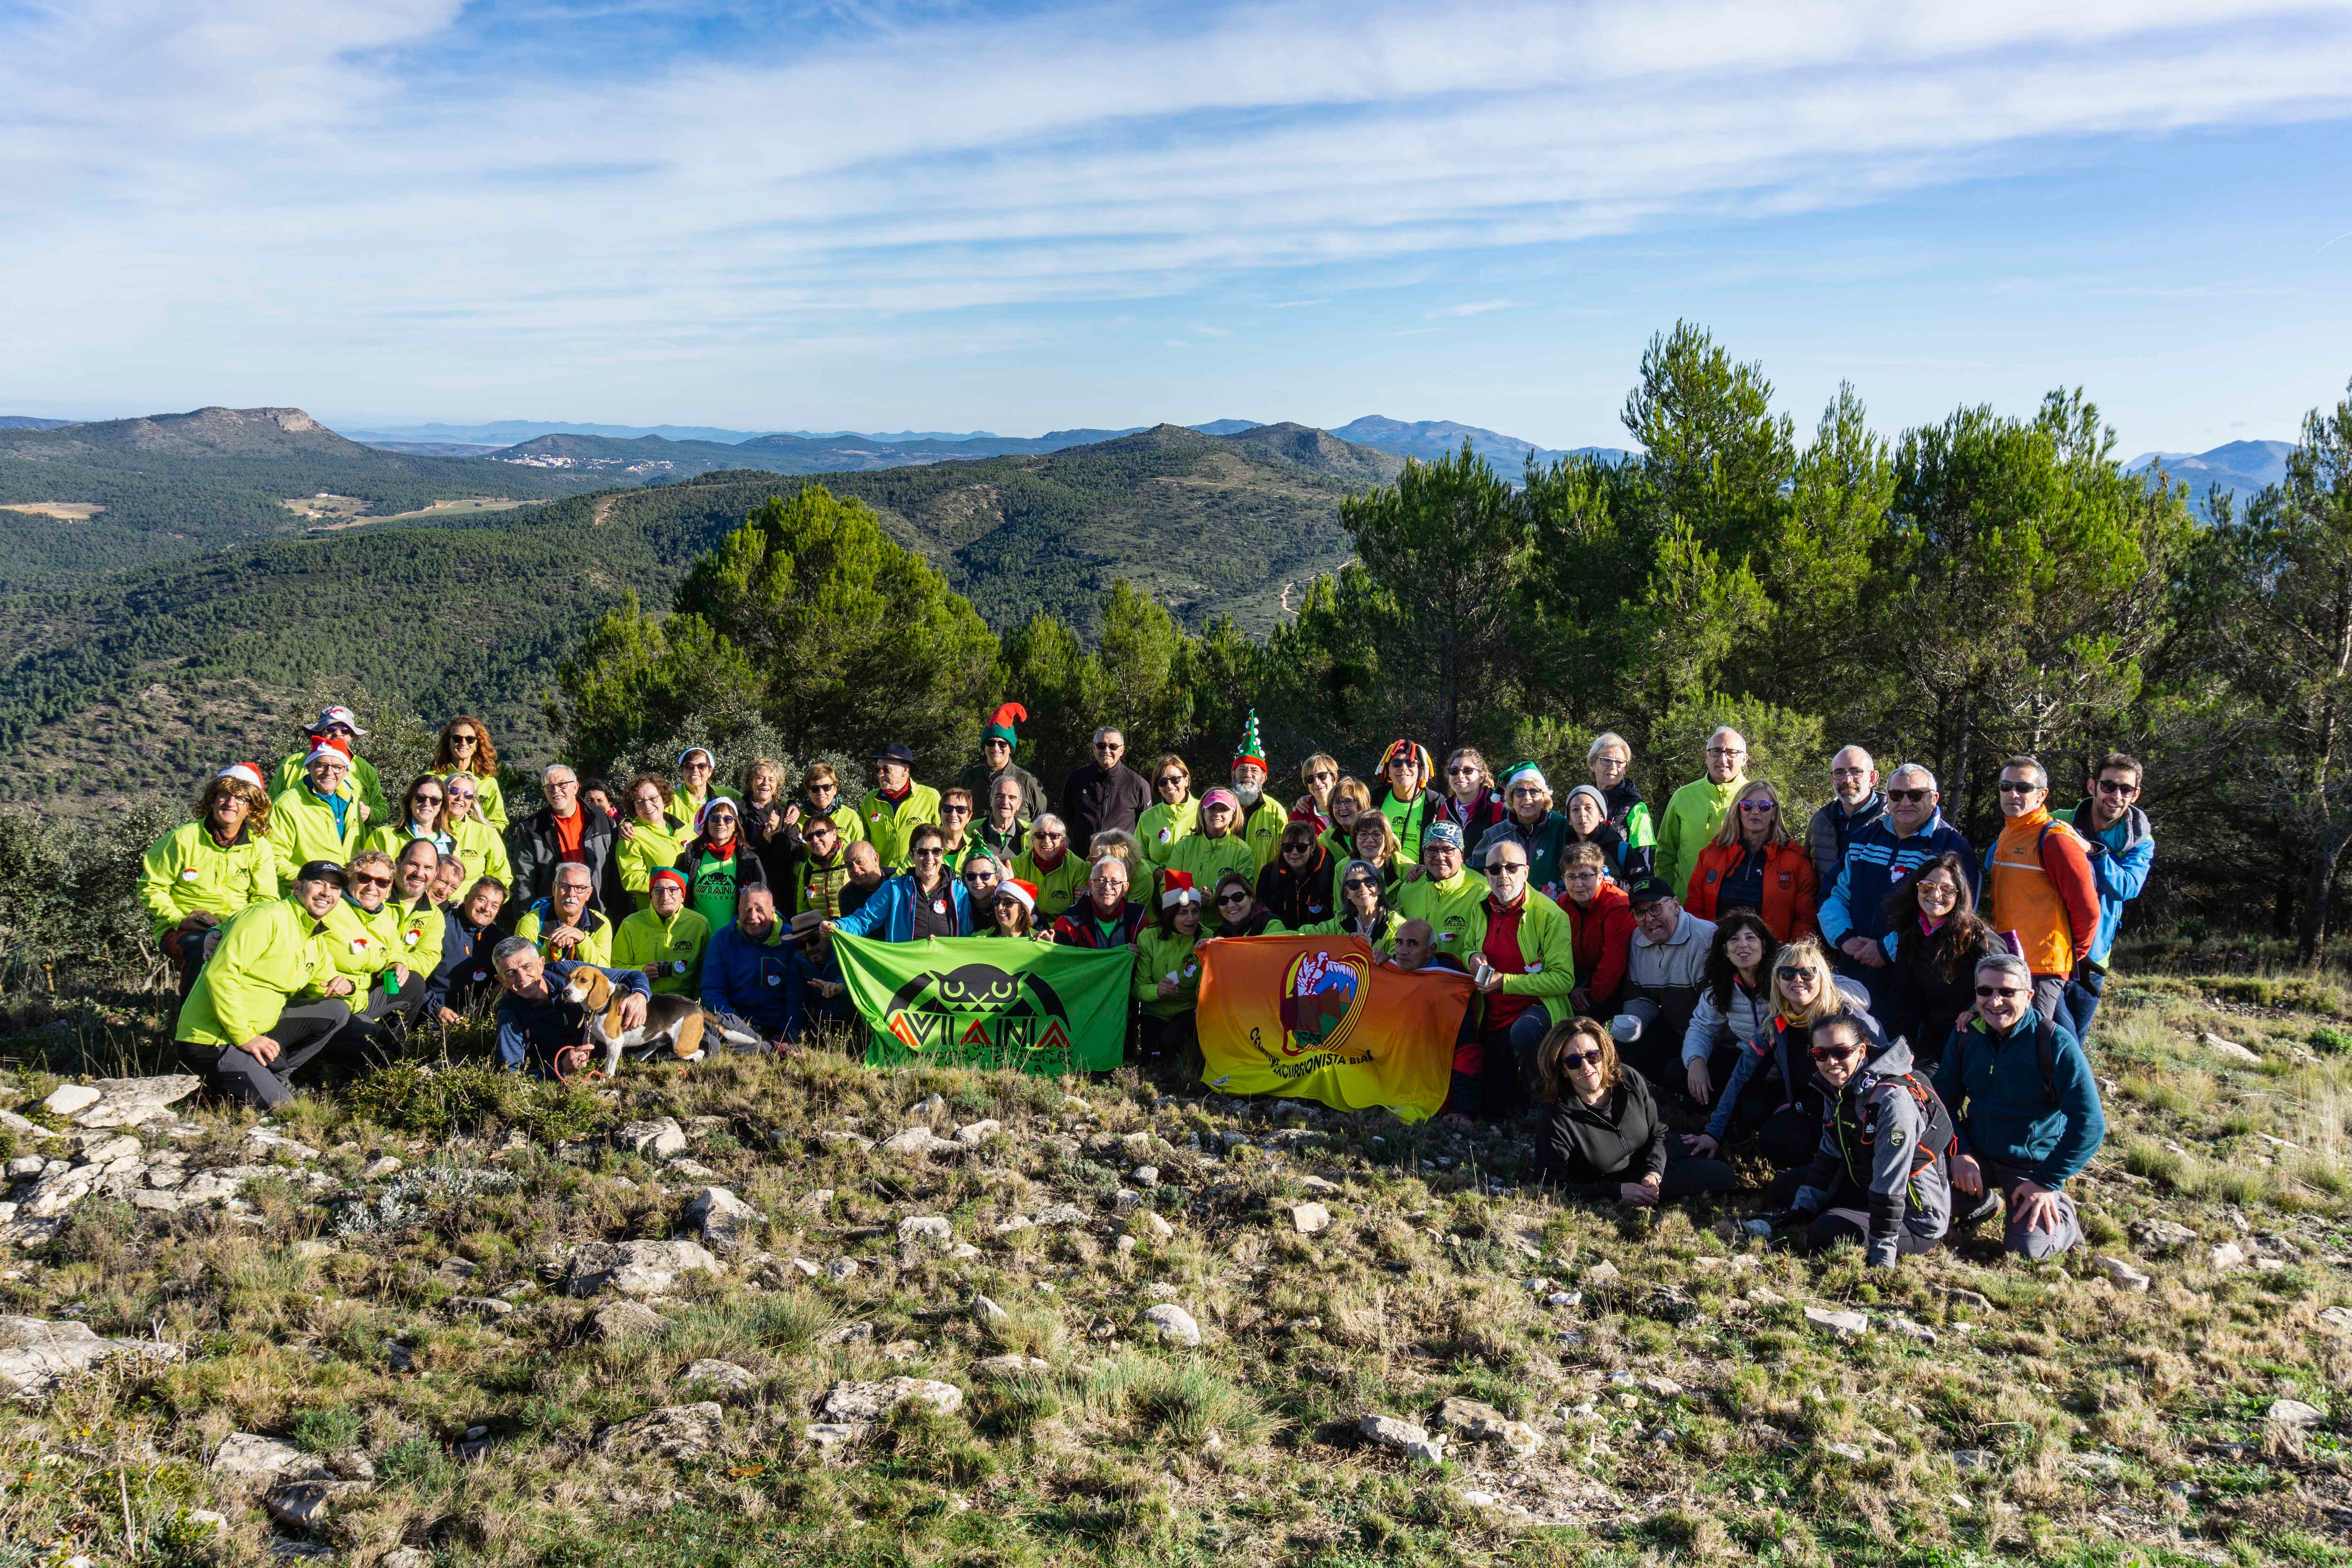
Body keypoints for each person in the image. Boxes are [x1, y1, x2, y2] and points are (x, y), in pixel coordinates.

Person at [1935, 953, 2108, 1259]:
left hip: (2031, 1167)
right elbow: (1942, 1099)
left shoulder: (2055, 1043)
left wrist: (2046, 1181)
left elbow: (2090, 1123)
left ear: (2029, 995)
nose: (1995, 1000)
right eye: (1985, 991)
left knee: (2027, 1253)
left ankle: (2063, 1215)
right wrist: (1958, 1150)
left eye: (2007, 992)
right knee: (1921, 1198)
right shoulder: (1966, 1034)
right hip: (1975, 1155)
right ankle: (1982, 1203)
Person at [1774, 1010, 1954, 1266]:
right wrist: (1802, 1209)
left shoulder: (1893, 1099)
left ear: (1861, 1051)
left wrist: (1882, 1253)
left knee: (1825, 1232)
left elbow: (1890, 1179)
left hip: (1915, 1216)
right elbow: (1831, 1152)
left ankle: (1965, 1207)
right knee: (1784, 1191)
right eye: (1820, 1054)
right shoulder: (1836, 1087)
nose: (1831, 1062)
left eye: (1841, 1052)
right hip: (1865, 1183)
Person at [174, 860, 359, 1108]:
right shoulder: (265, 917)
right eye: (318, 883)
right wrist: (245, 1037)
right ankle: (237, 1089)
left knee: (336, 1011)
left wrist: (350, 986)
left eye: (335, 888)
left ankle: (271, 1079)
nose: (327, 893)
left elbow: (324, 985)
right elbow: (221, 975)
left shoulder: (314, 937)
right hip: (213, 1040)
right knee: (287, 1111)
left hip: (258, 1032)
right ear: (297, 886)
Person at [1685, 933, 1864, 1165]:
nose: (1797, 979)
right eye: (1787, 974)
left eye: (1808, 972)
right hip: (1808, 1107)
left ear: (1823, 978)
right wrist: (1713, 1133)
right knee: (1771, 1137)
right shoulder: (1775, 1025)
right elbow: (1741, 1077)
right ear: (1777, 981)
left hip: (1856, 1110)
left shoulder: (1847, 1016)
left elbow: (1890, 1060)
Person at [1819, 762, 1978, 1011]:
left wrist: (1887, 949)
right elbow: (1833, 893)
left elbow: (1956, 917)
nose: (1905, 802)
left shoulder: (1951, 848)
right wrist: (1844, 938)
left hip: (1914, 976)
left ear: (1934, 798)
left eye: (1916, 795)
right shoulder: (1864, 838)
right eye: (1896, 795)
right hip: (1854, 965)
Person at [1533, 1017, 1738, 1203]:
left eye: (1593, 1056)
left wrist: (1653, 1172)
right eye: (1574, 1062)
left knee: (1716, 1156)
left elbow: (1657, 1131)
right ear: (1563, 1070)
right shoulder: (1557, 1117)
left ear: (1604, 1054)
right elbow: (1553, 1187)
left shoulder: (1628, 1079)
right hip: (1624, 1181)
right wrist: (1617, 1192)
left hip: (1653, 1154)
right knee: (1723, 1177)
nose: (1586, 1067)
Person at [1983, 756, 2098, 1027]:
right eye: (2005, 786)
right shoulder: (2009, 832)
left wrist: (2071, 956)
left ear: (2041, 795)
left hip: (2042, 967)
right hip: (2014, 960)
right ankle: (2077, 1071)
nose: (2012, 794)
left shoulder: (2055, 839)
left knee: (2037, 1041)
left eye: (2023, 788)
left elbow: (2088, 910)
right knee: (2054, 1038)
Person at [142, 764, 278, 995]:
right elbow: (152, 887)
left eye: (241, 798)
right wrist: (179, 919)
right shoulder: (182, 839)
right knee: (202, 949)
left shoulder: (258, 847)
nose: (230, 803)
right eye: (224, 795)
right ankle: (186, 1019)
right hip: (181, 929)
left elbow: (265, 898)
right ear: (213, 800)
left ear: (252, 808)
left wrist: (238, 927)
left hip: (236, 927)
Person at [1468, 838, 1578, 1117]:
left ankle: (1545, 1103)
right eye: (1494, 869)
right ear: (1486, 874)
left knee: (1525, 1032)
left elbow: (1563, 980)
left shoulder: (1551, 915)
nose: (1503, 875)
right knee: (1494, 1106)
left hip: (1536, 1009)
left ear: (1526, 872)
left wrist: (1505, 982)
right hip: (1492, 1012)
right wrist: (1472, 956)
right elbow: (1469, 944)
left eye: (1511, 867)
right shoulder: (1481, 906)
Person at [2055, 752, 2155, 1043]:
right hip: (2048, 948)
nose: (2116, 795)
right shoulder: (2060, 820)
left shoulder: (2140, 841)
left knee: (2073, 1044)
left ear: (2135, 795)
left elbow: (2127, 887)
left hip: (2092, 960)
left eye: (2126, 789)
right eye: (2109, 786)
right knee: (2048, 1038)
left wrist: (2093, 851)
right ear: (2092, 786)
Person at [1877, 854, 1999, 1065]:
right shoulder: (1910, 933)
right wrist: (1903, 1047)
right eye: (1927, 886)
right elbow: (1906, 997)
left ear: (1959, 895)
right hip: (1932, 1037)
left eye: (1947, 889)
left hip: (1974, 1035)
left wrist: (1973, 1011)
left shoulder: (1978, 938)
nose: (1936, 894)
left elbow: (2004, 986)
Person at [308, 848, 431, 1048]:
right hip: (331, 1000)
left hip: (363, 999)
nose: (372, 887)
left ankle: (395, 1041)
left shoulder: (385, 918)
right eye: (365, 878)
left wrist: (397, 963)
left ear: (389, 888)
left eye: (382, 882)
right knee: (370, 1037)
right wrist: (344, 987)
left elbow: (395, 952)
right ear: (350, 879)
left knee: (414, 982)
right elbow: (309, 957)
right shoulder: (330, 908)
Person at [490, 935, 648, 1078]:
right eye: (511, 973)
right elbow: (510, 1075)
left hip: (633, 1046)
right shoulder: (508, 1014)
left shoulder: (569, 972)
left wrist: (640, 995)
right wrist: (561, 1067)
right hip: (583, 1071)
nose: (522, 978)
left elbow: (630, 975)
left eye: (527, 966)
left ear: (541, 964)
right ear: (502, 980)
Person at [1683, 780, 1819, 941]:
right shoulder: (1711, 855)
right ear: (1738, 811)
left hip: (1773, 958)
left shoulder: (1796, 861)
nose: (1755, 812)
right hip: (1717, 953)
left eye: (1763, 806)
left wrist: (1792, 959)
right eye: (1747, 806)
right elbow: (1694, 909)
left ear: (1775, 812)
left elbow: (1805, 919)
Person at [1617, 881, 1715, 1089]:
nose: (1649, 919)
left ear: (1676, 905)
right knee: (1624, 1047)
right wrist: (1631, 1024)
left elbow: (1714, 1013)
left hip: (1714, 1039)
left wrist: (1695, 1054)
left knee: (1676, 1074)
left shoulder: (1704, 939)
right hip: (1677, 1029)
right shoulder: (1638, 940)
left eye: (1655, 908)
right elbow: (1641, 996)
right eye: (1639, 913)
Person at [828, 822, 973, 941]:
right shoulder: (894, 889)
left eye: (936, 851)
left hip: (946, 970)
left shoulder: (959, 891)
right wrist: (836, 926)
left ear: (943, 854)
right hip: (907, 972)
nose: (930, 858)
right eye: (922, 852)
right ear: (912, 855)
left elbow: (968, 936)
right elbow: (863, 921)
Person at [1656, 726, 1748, 900]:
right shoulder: (1683, 796)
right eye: (1716, 751)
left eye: (1731, 752)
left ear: (1745, 759)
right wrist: (1666, 897)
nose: (1723, 758)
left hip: (1740, 906)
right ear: (1706, 757)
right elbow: (1665, 854)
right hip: (1688, 904)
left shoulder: (1757, 799)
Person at [511, 764, 618, 913]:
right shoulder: (532, 829)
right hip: (552, 914)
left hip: (598, 912)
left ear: (575, 787)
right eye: (549, 787)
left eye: (562, 785)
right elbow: (524, 879)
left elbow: (615, 873)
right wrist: (525, 918)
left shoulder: (603, 822)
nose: (556, 791)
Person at [701, 883, 795, 1047]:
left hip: (779, 1027)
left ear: (772, 912)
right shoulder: (722, 939)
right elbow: (712, 990)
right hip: (735, 1024)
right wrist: (738, 1025)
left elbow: (797, 993)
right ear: (738, 910)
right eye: (746, 910)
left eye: (760, 910)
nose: (753, 917)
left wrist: (787, 1030)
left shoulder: (790, 939)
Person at [269, 706, 387, 825]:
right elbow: (271, 804)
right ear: (319, 733)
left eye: (345, 730)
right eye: (331, 729)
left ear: (352, 737)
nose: (338, 734)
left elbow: (382, 807)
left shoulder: (365, 769)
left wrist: (371, 814)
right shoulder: (291, 765)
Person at [1473, 763, 1573, 898]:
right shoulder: (1495, 834)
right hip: (1509, 912)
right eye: (1519, 792)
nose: (1527, 798)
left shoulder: (1562, 826)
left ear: (1544, 798)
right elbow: (1474, 873)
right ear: (1511, 798)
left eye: (1534, 791)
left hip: (1557, 911)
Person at [1135, 871, 1207, 1059]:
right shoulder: (1148, 937)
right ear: (1170, 915)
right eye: (1183, 913)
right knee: (1152, 1058)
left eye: (1195, 911)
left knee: (1171, 1046)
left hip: (1187, 1010)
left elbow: (1206, 986)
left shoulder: (1206, 937)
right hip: (1155, 1011)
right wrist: (1158, 990)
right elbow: (1139, 987)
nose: (1191, 919)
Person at [1556, 843, 1632, 1020]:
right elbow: (1555, 953)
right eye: (1571, 877)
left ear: (1600, 877)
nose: (1578, 884)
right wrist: (1572, 989)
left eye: (1585, 876)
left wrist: (1589, 1000)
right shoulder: (1563, 905)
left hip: (1620, 987)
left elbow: (1613, 964)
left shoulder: (1618, 905)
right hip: (1580, 982)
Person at [268, 744, 366, 881]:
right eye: (321, 765)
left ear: (346, 772)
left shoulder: (352, 802)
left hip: (343, 892)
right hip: (303, 895)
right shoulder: (287, 804)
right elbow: (272, 858)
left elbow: (360, 850)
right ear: (309, 767)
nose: (329, 772)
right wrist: (311, 882)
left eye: (338, 767)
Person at [612, 866, 712, 996]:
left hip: (684, 1004)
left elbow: (706, 973)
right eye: (658, 890)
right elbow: (614, 968)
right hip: (644, 1001)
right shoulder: (631, 924)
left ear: (683, 896)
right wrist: (640, 972)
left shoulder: (699, 925)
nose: (665, 897)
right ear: (650, 896)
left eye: (673, 890)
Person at [1392, 820, 1483, 962]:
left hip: (1459, 978)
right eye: (1432, 850)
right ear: (1424, 854)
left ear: (1462, 855)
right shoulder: (1410, 888)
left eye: (1448, 850)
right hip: (1416, 977)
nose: (1440, 857)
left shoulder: (1481, 891)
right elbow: (1395, 935)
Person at [424, 874, 508, 1024]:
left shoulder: (498, 940)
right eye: (481, 900)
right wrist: (436, 1008)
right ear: (467, 898)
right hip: (429, 1015)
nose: (486, 909)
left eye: (494, 906)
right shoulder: (441, 925)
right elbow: (415, 976)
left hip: (474, 1021)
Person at [1061, 725, 1150, 852]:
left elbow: (1146, 829)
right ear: (1093, 747)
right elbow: (1066, 820)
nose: (1107, 750)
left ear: (1122, 750)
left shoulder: (1137, 784)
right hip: (1082, 862)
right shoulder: (1076, 779)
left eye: (1113, 747)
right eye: (1101, 746)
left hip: (1121, 863)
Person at [677, 797, 760, 932]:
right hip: (696, 939)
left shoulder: (750, 861)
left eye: (728, 819)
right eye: (715, 818)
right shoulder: (690, 858)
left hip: (735, 940)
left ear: (736, 826)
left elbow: (761, 904)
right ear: (706, 824)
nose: (721, 823)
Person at [1807, 746, 1884, 890]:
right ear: (1831, 779)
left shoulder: (1890, 820)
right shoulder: (1820, 821)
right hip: (1826, 909)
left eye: (1856, 772)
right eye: (1839, 772)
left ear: (1873, 778)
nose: (1848, 780)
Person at [1166, 788, 1257, 910]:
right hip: (1188, 922)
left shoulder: (1243, 852)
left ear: (1233, 815)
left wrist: (1214, 897)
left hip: (1226, 925)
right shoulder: (1184, 846)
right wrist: (1192, 899)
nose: (1217, 814)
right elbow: (1168, 886)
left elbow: (1244, 893)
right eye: (1212, 808)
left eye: (1224, 809)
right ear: (1203, 812)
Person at [858, 742, 940, 870]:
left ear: (905, 770)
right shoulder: (869, 801)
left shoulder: (931, 797)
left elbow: (943, 839)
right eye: (877, 769)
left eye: (886, 769)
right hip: (882, 879)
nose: (880, 774)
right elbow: (863, 843)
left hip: (919, 875)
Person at [514, 862, 615, 966]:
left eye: (580, 888)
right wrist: (549, 948)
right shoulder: (530, 922)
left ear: (589, 894)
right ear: (554, 889)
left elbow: (604, 972)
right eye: (565, 886)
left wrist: (583, 940)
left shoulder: (601, 924)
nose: (571, 893)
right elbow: (524, 969)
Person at [614, 774, 690, 909]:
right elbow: (631, 879)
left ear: (664, 799)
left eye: (653, 798)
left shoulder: (682, 827)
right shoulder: (631, 835)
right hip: (657, 914)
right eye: (640, 801)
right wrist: (671, 882)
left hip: (690, 912)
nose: (647, 805)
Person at [965, 702, 1049, 824]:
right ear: (984, 746)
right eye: (990, 743)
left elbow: (1040, 823)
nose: (996, 748)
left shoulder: (1029, 782)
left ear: (1011, 748)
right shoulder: (969, 778)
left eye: (1002, 744)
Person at [1229, 711, 1290, 870]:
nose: (1247, 775)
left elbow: (1286, 856)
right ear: (1233, 774)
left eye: (1254, 771)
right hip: (1224, 892)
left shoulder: (1276, 812)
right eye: (1242, 769)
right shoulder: (1220, 808)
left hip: (1264, 892)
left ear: (1264, 778)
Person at [1302, 860, 1405, 949]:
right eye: (1354, 884)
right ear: (1347, 894)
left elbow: (1400, 968)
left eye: (1369, 882)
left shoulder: (1399, 927)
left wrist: (1368, 952)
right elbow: (1303, 935)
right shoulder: (1339, 923)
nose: (1363, 888)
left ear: (1380, 889)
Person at [1371, 739, 1446, 861]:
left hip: (1421, 877)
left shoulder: (1436, 804)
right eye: (1396, 763)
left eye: (1411, 763)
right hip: (1381, 876)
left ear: (1420, 770)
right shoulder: (1374, 800)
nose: (1403, 768)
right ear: (1388, 771)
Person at [783, 911, 853, 1041]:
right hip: (821, 1029)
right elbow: (795, 1002)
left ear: (826, 936)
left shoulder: (845, 951)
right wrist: (790, 1040)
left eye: (813, 940)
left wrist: (840, 988)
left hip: (855, 1023)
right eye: (801, 945)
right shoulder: (798, 961)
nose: (809, 949)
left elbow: (860, 984)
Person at [440, 770, 514, 893]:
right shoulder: (426, 828)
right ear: (442, 792)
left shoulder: (487, 833)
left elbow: (502, 877)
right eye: (454, 791)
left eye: (468, 795)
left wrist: (479, 902)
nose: (460, 798)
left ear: (472, 801)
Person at [1586, 733, 1656, 861]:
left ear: (1625, 769)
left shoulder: (1637, 808)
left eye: (1619, 763)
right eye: (1606, 760)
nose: (1613, 767)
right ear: (1592, 764)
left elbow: (1643, 860)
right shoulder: (1582, 802)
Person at [1052, 856, 1149, 948]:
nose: (1107, 887)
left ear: (1125, 888)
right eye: (1100, 881)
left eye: (1115, 882)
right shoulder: (1069, 921)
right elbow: (1062, 960)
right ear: (1090, 886)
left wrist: (1139, 956)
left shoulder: (1139, 920)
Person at [362, 773, 459, 865]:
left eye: (435, 800)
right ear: (410, 802)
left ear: (442, 807)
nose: (427, 804)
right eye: (420, 798)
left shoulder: (450, 843)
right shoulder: (383, 836)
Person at [1559, 784, 1645, 885]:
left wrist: (1617, 884)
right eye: (1575, 810)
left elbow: (1644, 888)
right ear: (1569, 819)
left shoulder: (1621, 851)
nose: (1582, 814)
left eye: (1588, 808)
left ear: (1601, 816)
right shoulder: (1565, 850)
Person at [1257, 820, 1336, 930]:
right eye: (1288, 848)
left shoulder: (1329, 870)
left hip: (1320, 939)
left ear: (1312, 847)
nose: (1294, 852)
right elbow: (1261, 913)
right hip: (1282, 939)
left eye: (1301, 847)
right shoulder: (1269, 873)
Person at [434, 716, 509, 830]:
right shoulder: (432, 778)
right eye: (457, 739)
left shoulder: (488, 782)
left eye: (470, 739)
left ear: (477, 746)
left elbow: (498, 821)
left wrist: (485, 840)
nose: (463, 743)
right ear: (449, 744)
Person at [1011, 813, 1085, 921]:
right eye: (1040, 835)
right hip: (1027, 926)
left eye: (1054, 836)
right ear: (1032, 840)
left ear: (1062, 840)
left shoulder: (1079, 868)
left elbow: (1080, 913)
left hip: (1063, 929)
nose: (1047, 840)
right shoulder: (1017, 864)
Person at [1335, 812, 1416, 906]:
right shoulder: (1342, 868)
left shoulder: (1408, 870)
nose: (1370, 840)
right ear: (1355, 838)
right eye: (1363, 834)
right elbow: (1340, 912)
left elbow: (1412, 915)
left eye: (1377, 835)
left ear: (1387, 838)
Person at [1435, 748, 1510, 846]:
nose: (1460, 776)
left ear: (1482, 777)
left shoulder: (1499, 809)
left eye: (1468, 770)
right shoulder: (1445, 810)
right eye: (1454, 771)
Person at [1137, 756, 1197, 868]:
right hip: (1158, 884)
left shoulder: (1204, 812)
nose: (1169, 786)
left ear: (1187, 780)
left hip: (1196, 884)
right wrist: (1154, 870)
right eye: (1163, 782)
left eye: (1175, 779)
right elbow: (1137, 856)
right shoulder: (1147, 818)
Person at [791, 813, 853, 919]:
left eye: (820, 833)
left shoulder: (851, 858)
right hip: (821, 932)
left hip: (853, 929)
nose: (815, 840)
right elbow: (803, 908)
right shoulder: (807, 868)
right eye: (809, 837)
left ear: (834, 834)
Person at [740, 757, 794, 873]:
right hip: (745, 879)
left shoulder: (786, 814)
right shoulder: (737, 811)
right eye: (760, 778)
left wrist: (778, 834)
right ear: (751, 781)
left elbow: (796, 855)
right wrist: (764, 840)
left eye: (772, 780)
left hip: (778, 886)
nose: (766, 784)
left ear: (777, 785)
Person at [968, 775, 1030, 868]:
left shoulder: (1030, 832)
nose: (1005, 802)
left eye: (1012, 798)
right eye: (1000, 796)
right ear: (991, 800)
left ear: (1019, 803)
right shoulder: (972, 829)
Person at [1206, 870, 1286, 937]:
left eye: (1238, 897)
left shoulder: (1272, 925)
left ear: (1252, 898)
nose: (1231, 905)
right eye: (1223, 900)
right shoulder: (1221, 934)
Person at [1320, 777, 1373, 865]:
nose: (1342, 808)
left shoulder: (1379, 833)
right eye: (1337, 802)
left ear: (1362, 804)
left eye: (1349, 802)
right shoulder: (1327, 838)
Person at [985, 878, 1056, 942]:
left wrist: (1047, 947)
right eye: (996, 901)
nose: (1000, 907)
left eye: (1008, 903)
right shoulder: (979, 939)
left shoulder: (1038, 939)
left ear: (1023, 910)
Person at [668, 746, 718, 832]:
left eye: (702, 766)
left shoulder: (728, 795)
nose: (695, 770)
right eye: (689, 766)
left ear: (710, 772)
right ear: (681, 771)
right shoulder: (668, 799)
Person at [1295, 753, 1341, 833]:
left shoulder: (1348, 809)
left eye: (1322, 776)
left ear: (1334, 778)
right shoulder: (1299, 816)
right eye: (1310, 779)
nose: (1317, 782)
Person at [937, 788, 981, 868]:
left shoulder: (977, 849)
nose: (953, 814)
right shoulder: (925, 849)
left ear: (969, 816)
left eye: (961, 809)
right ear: (940, 813)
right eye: (948, 809)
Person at [840, 843, 886, 916]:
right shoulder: (847, 895)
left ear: (876, 859)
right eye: (849, 866)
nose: (855, 870)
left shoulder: (899, 880)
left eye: (860, 862)